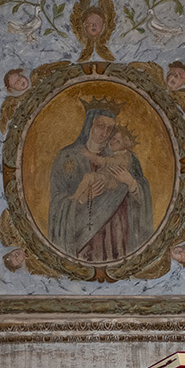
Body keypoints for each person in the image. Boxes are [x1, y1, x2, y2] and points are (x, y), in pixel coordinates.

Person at [47, 105, 153, 263]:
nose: (105, 133)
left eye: (110, 129)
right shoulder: (67, 156)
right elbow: (56, 204)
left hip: (118, 234)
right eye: (100, 126)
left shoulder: (123, 156)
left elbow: (143, 197)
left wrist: (131, 183)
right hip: (85, 238)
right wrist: (81, 199)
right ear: (89, 125)